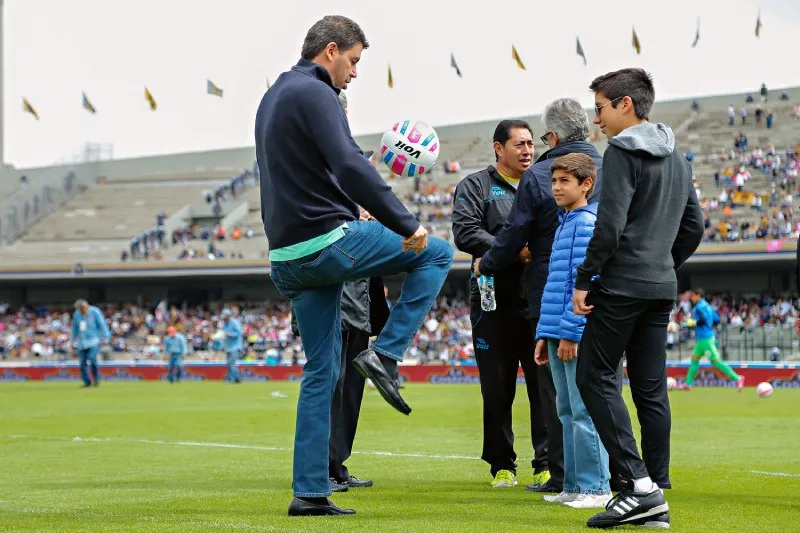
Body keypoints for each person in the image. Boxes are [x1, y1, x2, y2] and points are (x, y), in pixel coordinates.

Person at [255, 15, 453, 517]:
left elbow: (316, 172)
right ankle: (385, 354)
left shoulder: (272, 97)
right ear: (332, 50)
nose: (356, 72)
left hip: (286, 258)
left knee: (320, 371)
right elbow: (348, 164)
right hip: (327, 243)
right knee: (438, 252)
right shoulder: (316, 93)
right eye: (356, 61)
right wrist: (407, 224)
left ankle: (309, 492)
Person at [572, 68, 704, 529]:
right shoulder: (677, 157)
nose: (597, 119)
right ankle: (655, 489)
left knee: (593, 375)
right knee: (650, 386)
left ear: (625, 104)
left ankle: (637, 486)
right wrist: (662, 264)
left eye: (602, 108)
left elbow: (607, 227)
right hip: (659, 286)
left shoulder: (622, 152)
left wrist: (585, 278)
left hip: (622, 283)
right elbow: (695, 228)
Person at [475, 96, 611, 494]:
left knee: (563, 396)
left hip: (554, 299)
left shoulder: (539, 176)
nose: (556, 187)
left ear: (550, 136)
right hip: (614, 294)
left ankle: (570, 477)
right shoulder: (615, 166)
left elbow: (517, 234)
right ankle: (624, 474)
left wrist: (490, 263)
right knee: (603, 389)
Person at [453, 119, 543, 489]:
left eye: (530, 143)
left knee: (543, 387)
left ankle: (547, 463)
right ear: (498, 148)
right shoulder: (475, 185)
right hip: (491, 303)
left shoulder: (542, 183)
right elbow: (465, 231)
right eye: (519, 144)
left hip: (537, 300)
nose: (527, 150)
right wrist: (511, 251)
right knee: (497, 387)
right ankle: (501, 465)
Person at [534, 153, 611, 509]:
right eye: (554, 181)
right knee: (565, 411)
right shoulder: (565, 223)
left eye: (565, 181)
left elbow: (584, 287)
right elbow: (555, 285)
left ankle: (596, 487)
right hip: (555, 331)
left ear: (586, 184)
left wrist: (570, 332)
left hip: (573, 334)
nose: (556, 187)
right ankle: (575, 484)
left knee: (582, 411)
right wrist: (544, 332)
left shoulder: (586, 224)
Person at [681, 289, 744, 391]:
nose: (691, 298)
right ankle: (687, 384)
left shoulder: (699, 307)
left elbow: (702, 321)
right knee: (694, 360)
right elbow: (716, 319)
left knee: (716, 362)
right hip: (703, 339)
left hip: (706, 340)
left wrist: (690, 323)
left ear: (698, 295)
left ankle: (737, 378)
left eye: (693, 296)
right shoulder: (708, 306)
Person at [70, 299, 110, 388]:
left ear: (86, 306)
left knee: (92, 359)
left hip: (93, 341)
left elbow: (102, 325)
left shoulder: (95, 312)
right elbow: (74, 328)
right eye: (79, 310)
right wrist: (72, 341)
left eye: (82, 309)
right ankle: (87, 382)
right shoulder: (77, 314)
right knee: (82, 363)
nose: (81, 311)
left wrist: (106, 337)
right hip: (81, 342)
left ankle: (96, 379)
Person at [221, 309, 242, 384]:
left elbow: (239, 333)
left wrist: (229, 334)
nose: (223, 318)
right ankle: (229, 379)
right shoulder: (225, 324)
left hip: (235, 346)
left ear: (228, 316)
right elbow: (223, 334)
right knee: (229, 363)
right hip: (228, 346)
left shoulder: (234, 323)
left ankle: (237, 378)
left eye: (224, 317)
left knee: (231, 363)